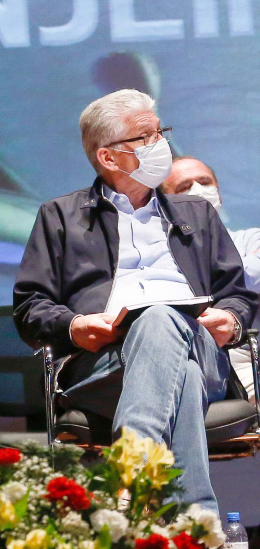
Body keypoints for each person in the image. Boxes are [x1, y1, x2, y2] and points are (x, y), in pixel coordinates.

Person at [13, 89, 257, 514]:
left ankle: (132, 475)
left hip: (199, 341)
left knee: (164, 317)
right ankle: (199, 521)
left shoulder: (196, 214)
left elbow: (238, 293)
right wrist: (75, 327)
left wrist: (231, 320)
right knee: (183, 375)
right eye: (146, 137)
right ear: (108, 158)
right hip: (104, 362)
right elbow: (30, 306)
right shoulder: (60, 216)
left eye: (160, 132)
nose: (161, 143)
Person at [163, 157, 260, 401]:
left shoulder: (250, 238)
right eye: (184, 187)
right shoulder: (160, 257)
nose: (198, 190)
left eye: (205, 182)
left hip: (250, 357)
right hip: (195, 365)